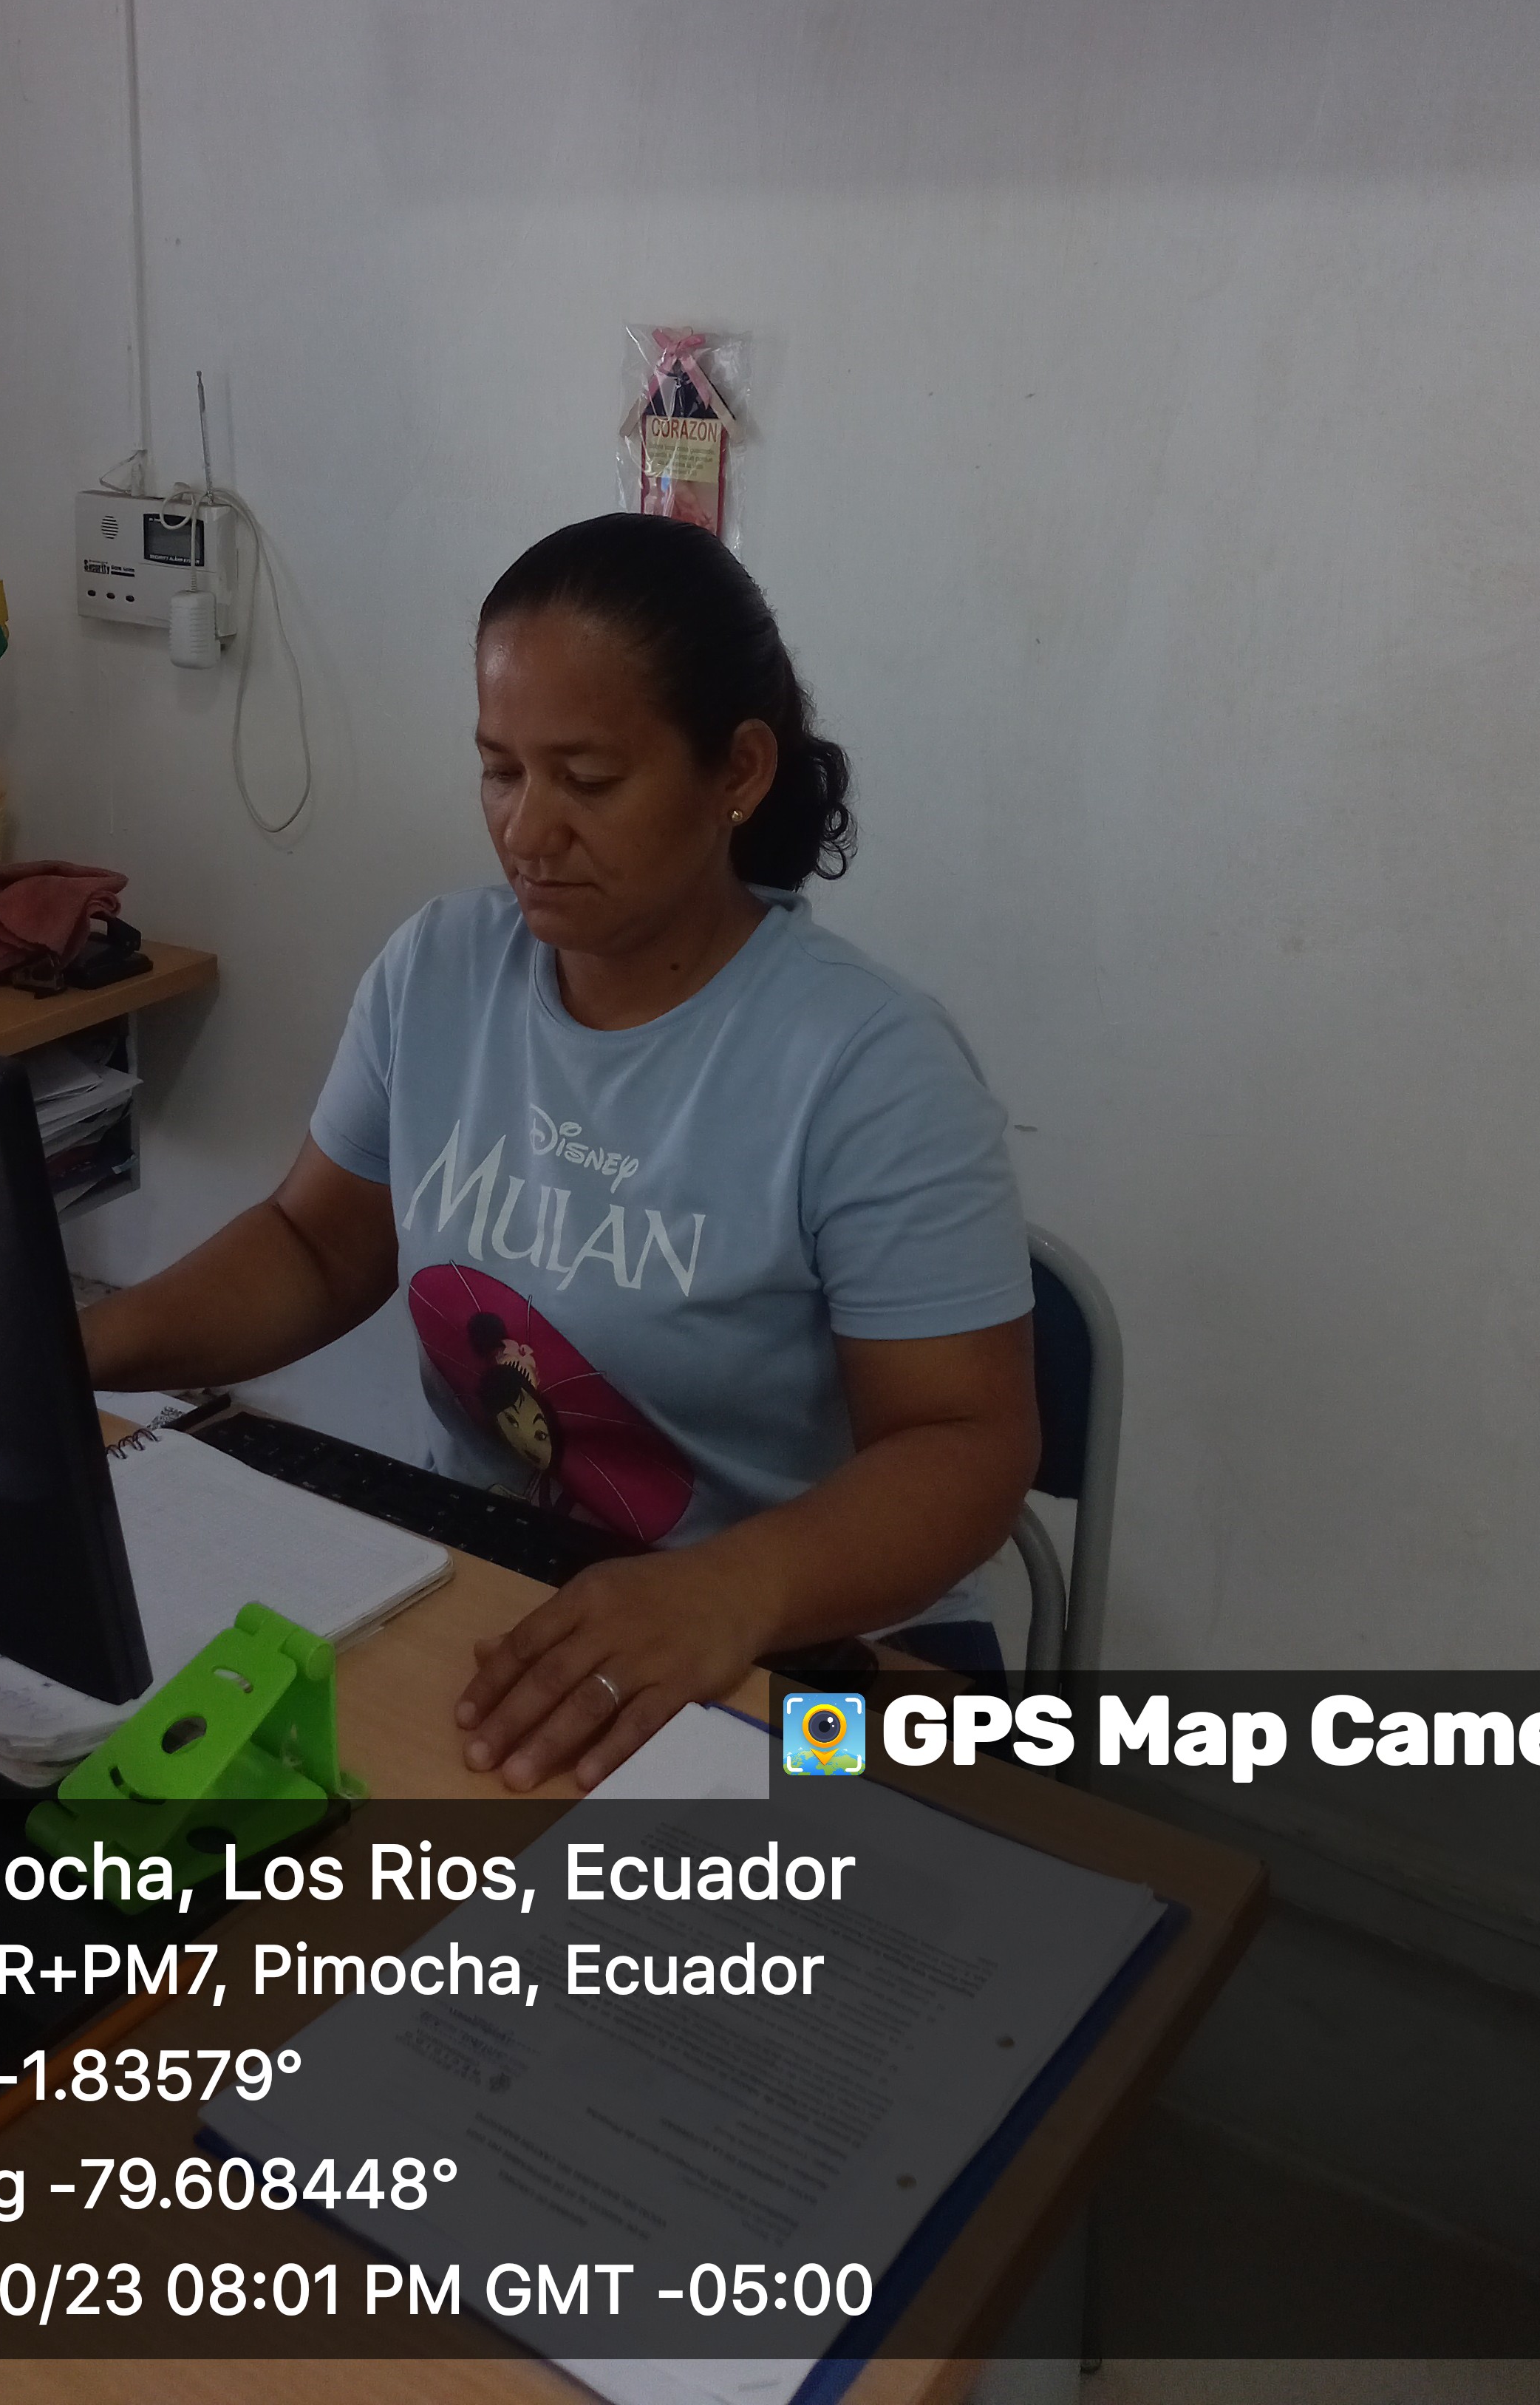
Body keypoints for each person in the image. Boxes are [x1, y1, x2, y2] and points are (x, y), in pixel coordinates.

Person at [81, 514, 1039, 1791]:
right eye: (500, 771)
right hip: (504, 1582)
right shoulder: (437, 972)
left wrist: (731, 1591)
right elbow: (315, 1245)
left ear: (738, 771)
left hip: (815, 1639)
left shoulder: (868, 1066)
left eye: (586, 780)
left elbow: (966, 1443)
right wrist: (81, 1350)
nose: (528, 831)